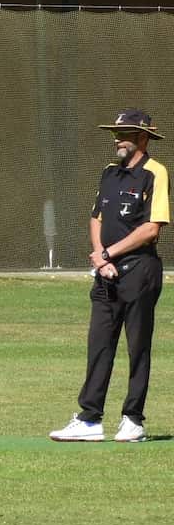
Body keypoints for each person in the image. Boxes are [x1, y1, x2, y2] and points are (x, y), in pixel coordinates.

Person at [50, 109, 169, 443]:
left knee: (138, 347)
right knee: (99, 344)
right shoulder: (109, 173)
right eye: (117, 134)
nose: (118, 139)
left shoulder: (155, 173)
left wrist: (109, 254)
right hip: (106, 273)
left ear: (143, 138)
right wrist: (101, 258)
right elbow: (96, 217)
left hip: (140, 271)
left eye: (126, 134)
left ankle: (133, 420)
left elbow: (151, 229)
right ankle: (89, 419)